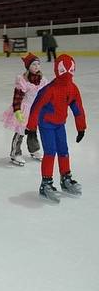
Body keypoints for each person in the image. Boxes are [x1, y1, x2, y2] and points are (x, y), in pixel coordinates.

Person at [26, 54, 86, 203]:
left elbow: (77, 108)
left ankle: (65, 178)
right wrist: (32, 128)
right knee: (50, 152)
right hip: (46, 124)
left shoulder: (72, 88)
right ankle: (45, 184)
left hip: (60, 124)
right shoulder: (49, 89)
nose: (66, 73)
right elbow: (36, 107)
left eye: (69, 70)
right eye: (63, 70)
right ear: (57, 70)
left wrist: (81, 127)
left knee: (63, 150)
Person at [0, 53, 48, 166]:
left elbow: (45, 95)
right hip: (24, 109)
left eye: (38, 64)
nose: (37, 66)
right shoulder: (22, 80)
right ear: (28, 66)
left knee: (33, 130)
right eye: (34, 64)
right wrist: (17, 110)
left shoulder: (42, 80)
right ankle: (15, 153)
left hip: (36, 110)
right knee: (20, 132)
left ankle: (34, 149)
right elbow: (17, 96)